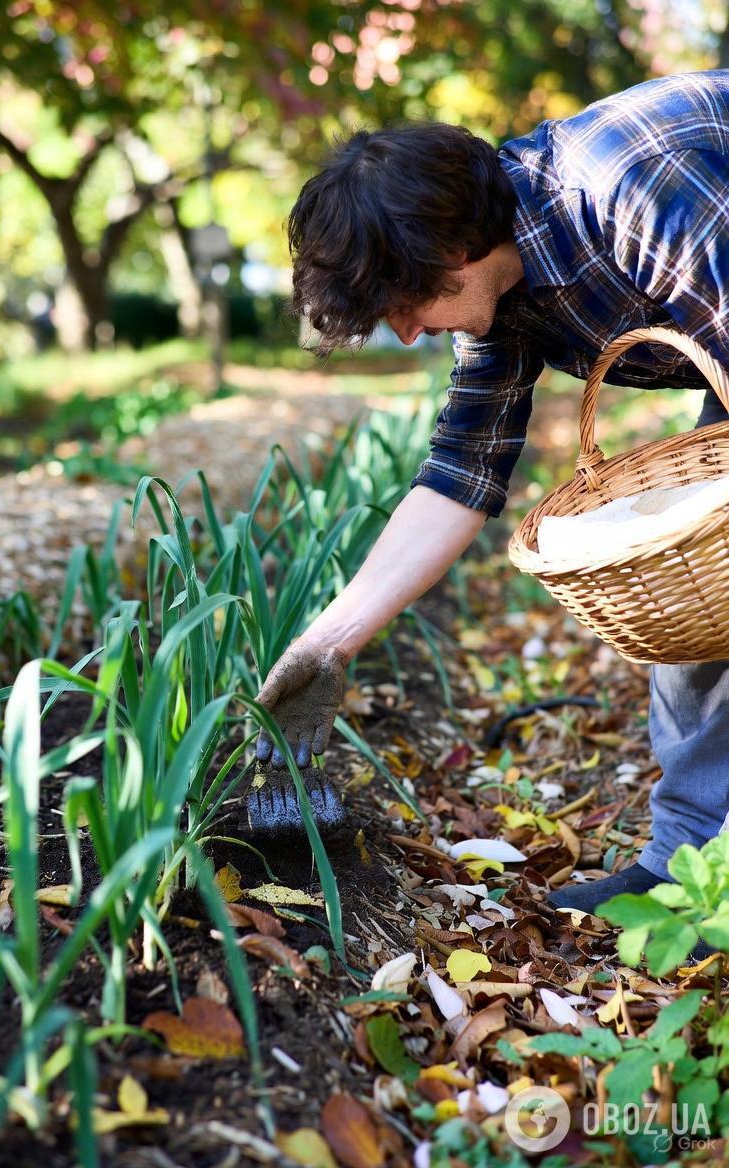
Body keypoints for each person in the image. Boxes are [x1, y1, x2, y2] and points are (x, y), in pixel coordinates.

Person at [253, 70, 729, 917]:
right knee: (699, 582)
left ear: (454, 250)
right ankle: (689, 871)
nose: (404, 331)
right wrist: (328, 644)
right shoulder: (496, 295)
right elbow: (461, 477)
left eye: (404, 304)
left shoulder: (631, 192)